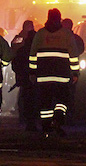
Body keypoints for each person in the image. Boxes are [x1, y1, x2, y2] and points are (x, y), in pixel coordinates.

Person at [29, 8, 80, 138]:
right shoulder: (66, 34)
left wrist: (32, 72)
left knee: (45, 103)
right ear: (59, 18)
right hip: (62, 75)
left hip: (43, 75)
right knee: (62, 100)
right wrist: (75, 73)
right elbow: (73, 55)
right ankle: (57, 120)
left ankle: (46, 128)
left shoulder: (40, 34)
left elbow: (32, 54)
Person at [11, 22, 39, 131]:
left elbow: (14, 51)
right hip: (34, 76)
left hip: (24, 75)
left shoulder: (20, 39)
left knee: (25, 97)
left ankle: (25, 118)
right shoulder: (35, 39)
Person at [61, 18, 84, 124]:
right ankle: (69, 116)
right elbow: (79, 52)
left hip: (60, 71)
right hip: (70, 72)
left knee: (60, 94)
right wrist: (76, 73)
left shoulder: (59, 38)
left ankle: (61, 116)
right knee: (71, 94)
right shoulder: (77, 39)